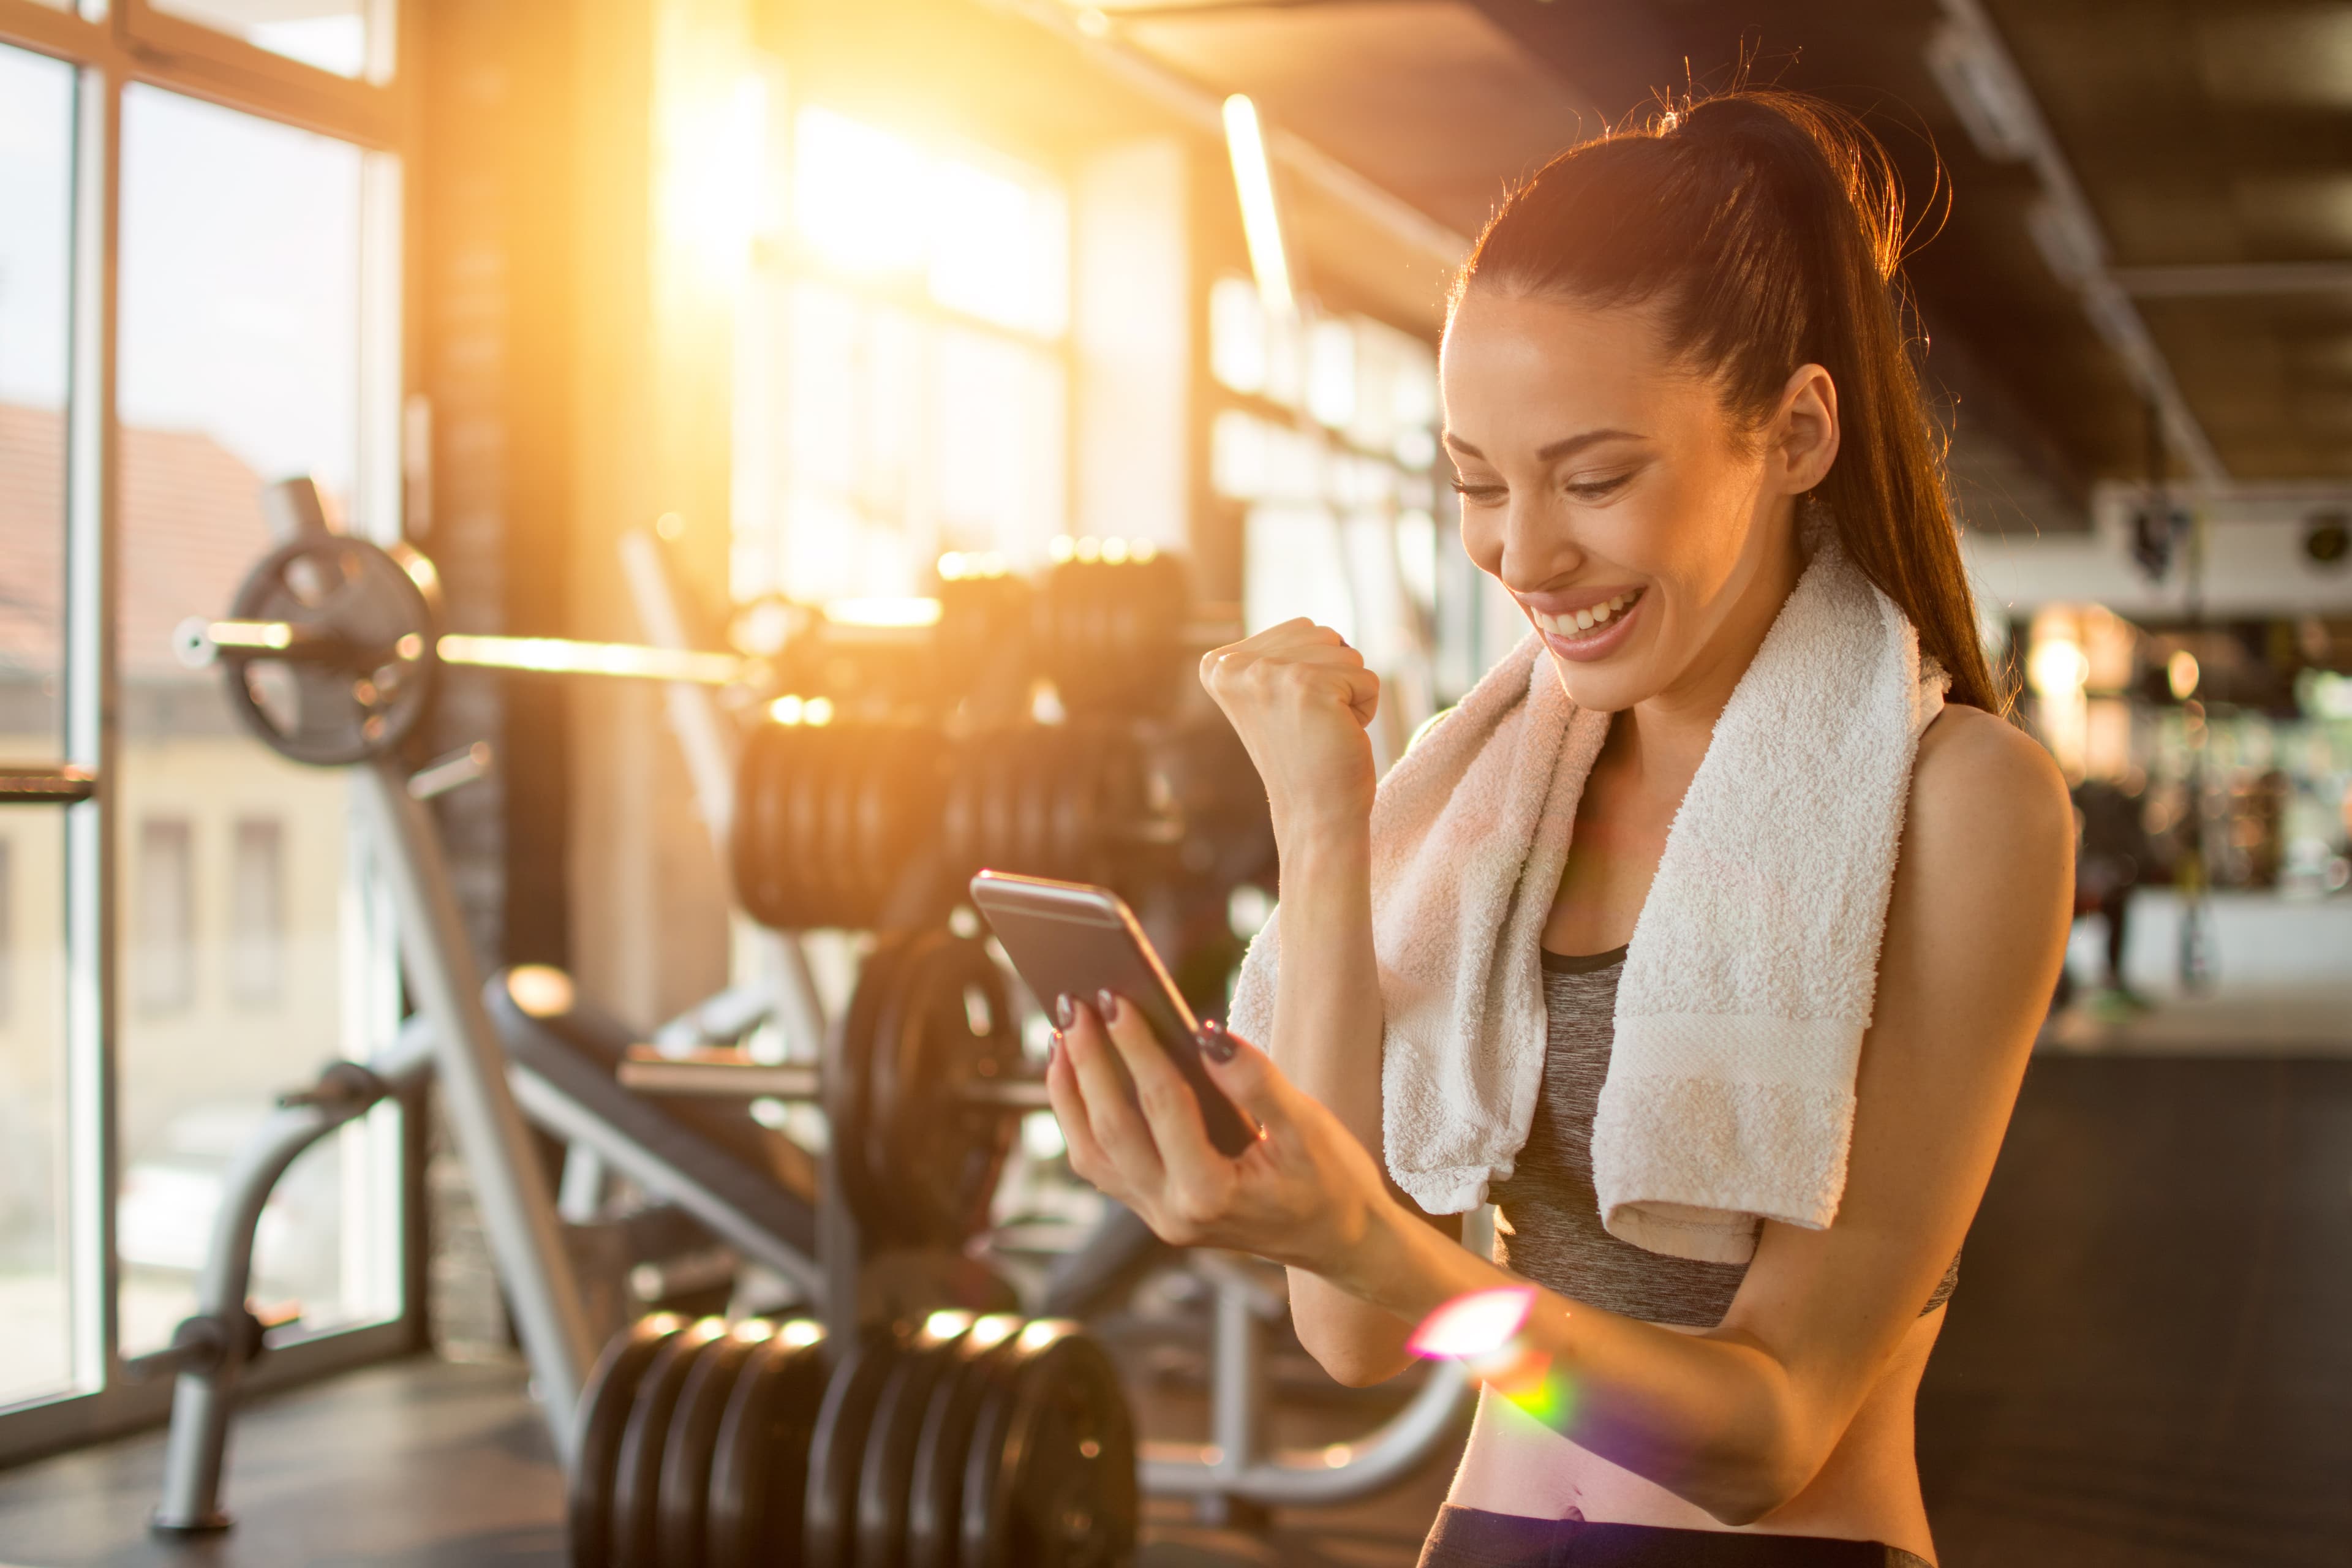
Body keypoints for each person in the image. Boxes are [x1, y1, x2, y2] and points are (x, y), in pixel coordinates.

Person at [1045, 89, 2073, 1567]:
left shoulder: (1957, 805)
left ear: (1793, 432)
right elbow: (1346, 1327)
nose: (1525, 552)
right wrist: (1327, 831)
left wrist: (1371, 1244)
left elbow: (1768, 1434)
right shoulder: (1495, 803)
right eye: (1477, 482)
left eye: (1595, 478)